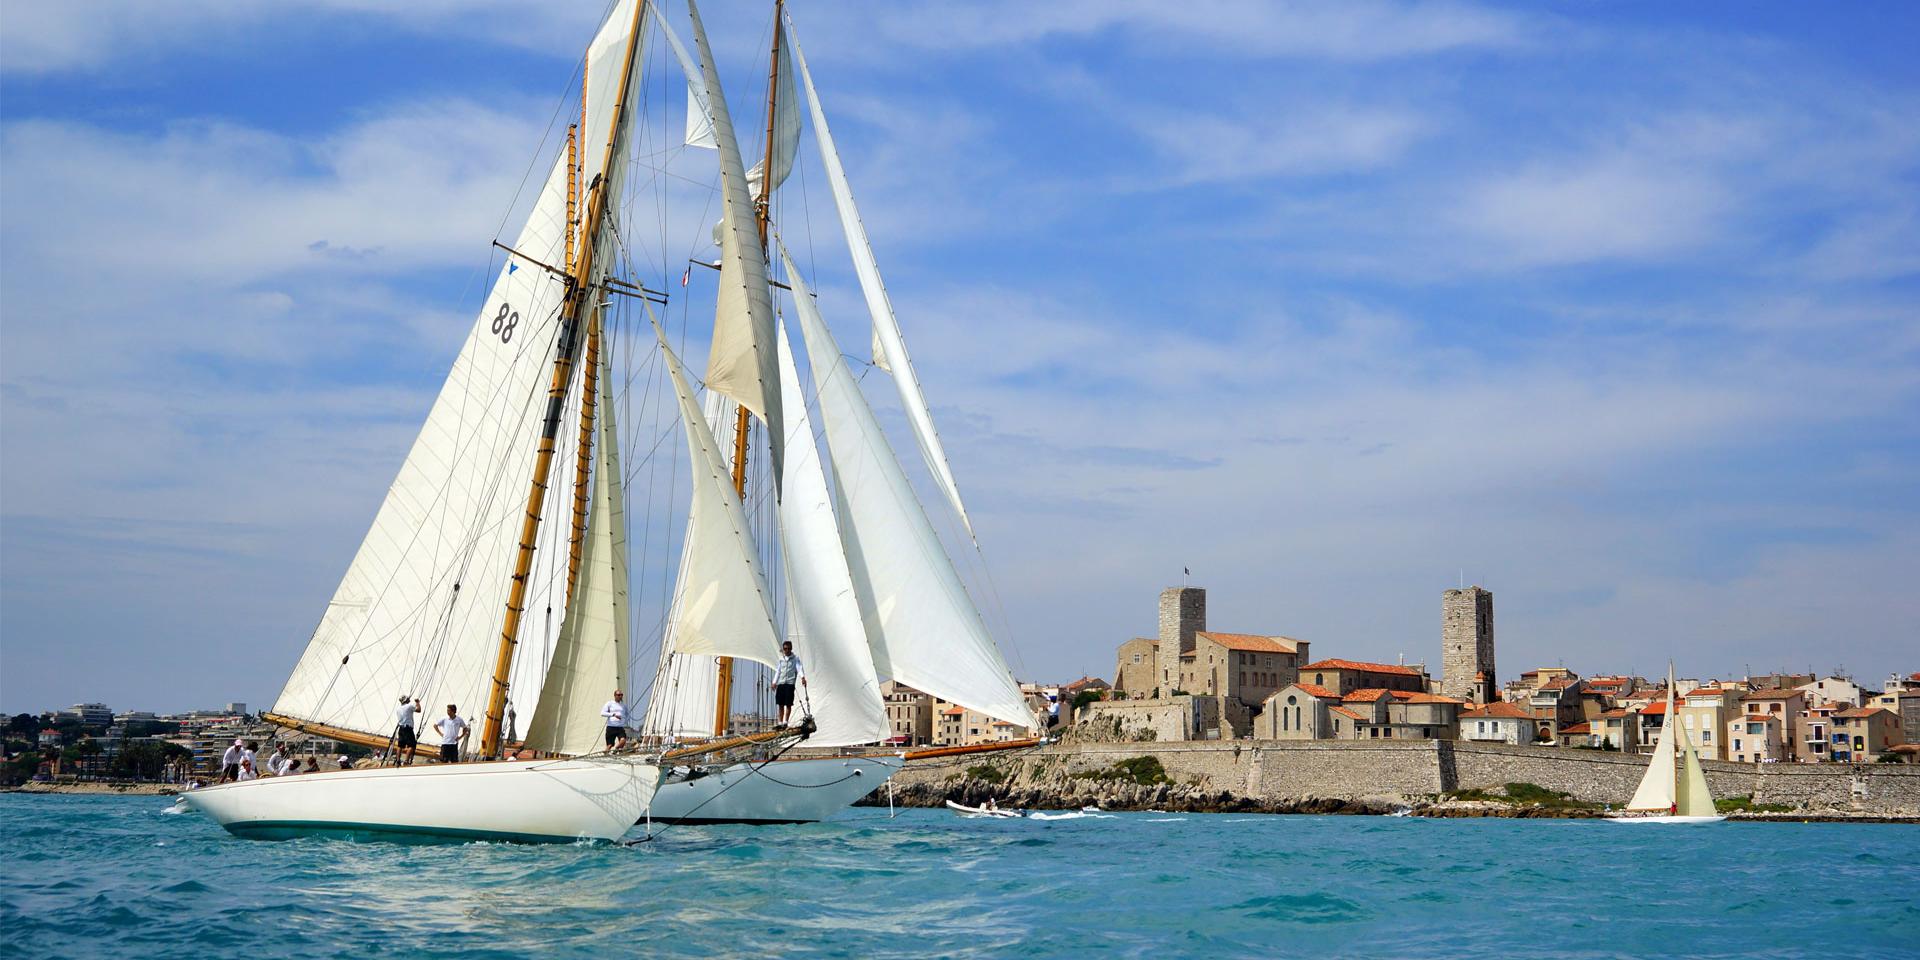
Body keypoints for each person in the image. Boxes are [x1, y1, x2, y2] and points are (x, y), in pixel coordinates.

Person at [772, 641, 806, 727]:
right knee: (780, 704)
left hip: (790, 684)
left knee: (788, 704)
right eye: (785, 649)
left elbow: (799, 669)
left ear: (791, 649)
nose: (786, 650)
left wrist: (802, 678)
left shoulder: (795, 659)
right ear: (783, 650)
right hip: (781, 683)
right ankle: (780, 722)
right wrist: (774, 682)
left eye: (788, 648)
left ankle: (785, 721)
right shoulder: (781, 660)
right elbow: (778, 671)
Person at [395, 695, 421, 766]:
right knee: (411, 745)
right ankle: (406, 761)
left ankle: (398, 760)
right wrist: (417, 702)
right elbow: (419, 710)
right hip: (408, 729)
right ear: (406, 700)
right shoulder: (409, 706)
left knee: (400, 745)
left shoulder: (398, 709)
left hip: (401, 728)